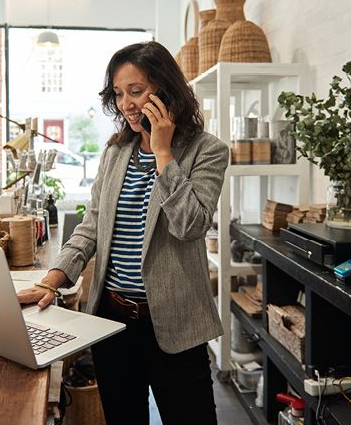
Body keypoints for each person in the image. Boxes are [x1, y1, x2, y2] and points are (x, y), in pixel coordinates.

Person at [18, 41, 229, 425]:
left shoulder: (207, 150)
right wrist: (52, 279)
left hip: (177, 326)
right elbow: (90, 228)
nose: (126, 104)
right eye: (119, 93)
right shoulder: (116, 153)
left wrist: (163, 154)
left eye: (136, 91)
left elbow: (191, 225)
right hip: (112, 322)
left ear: (166, 91)